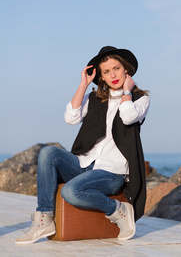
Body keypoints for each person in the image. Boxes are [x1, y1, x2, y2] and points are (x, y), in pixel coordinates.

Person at [16, 46, 150, 244]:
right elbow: (71, 117)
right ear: (101, 77)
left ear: (126, 70)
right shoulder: (95, 99)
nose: (113, 75)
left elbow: (128, 116)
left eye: (117, 68)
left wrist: (127, 91)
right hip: (85, 164)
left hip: (112, 172)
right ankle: (44, 218)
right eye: (106, 72)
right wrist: (83, 85)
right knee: (48, 153)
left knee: (71, 192)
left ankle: (118, 210)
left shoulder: (140, 99)